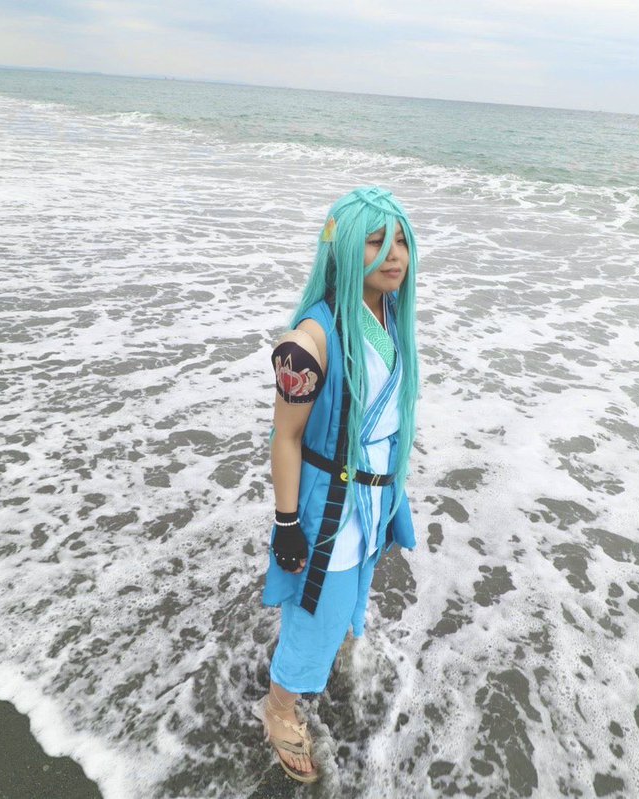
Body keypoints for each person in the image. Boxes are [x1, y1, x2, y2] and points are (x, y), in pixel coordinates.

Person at [256, 186, 420, 783]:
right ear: (344, 249)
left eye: (400, 240)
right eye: (376, 242)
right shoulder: (311, 341)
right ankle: (280, 706)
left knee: (353, 585)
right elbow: (286, 437)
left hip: (373, 491)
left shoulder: (387, 314)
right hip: (331, 503)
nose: (394, 255)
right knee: (317, 608)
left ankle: (335, 643)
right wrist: (286, 523)